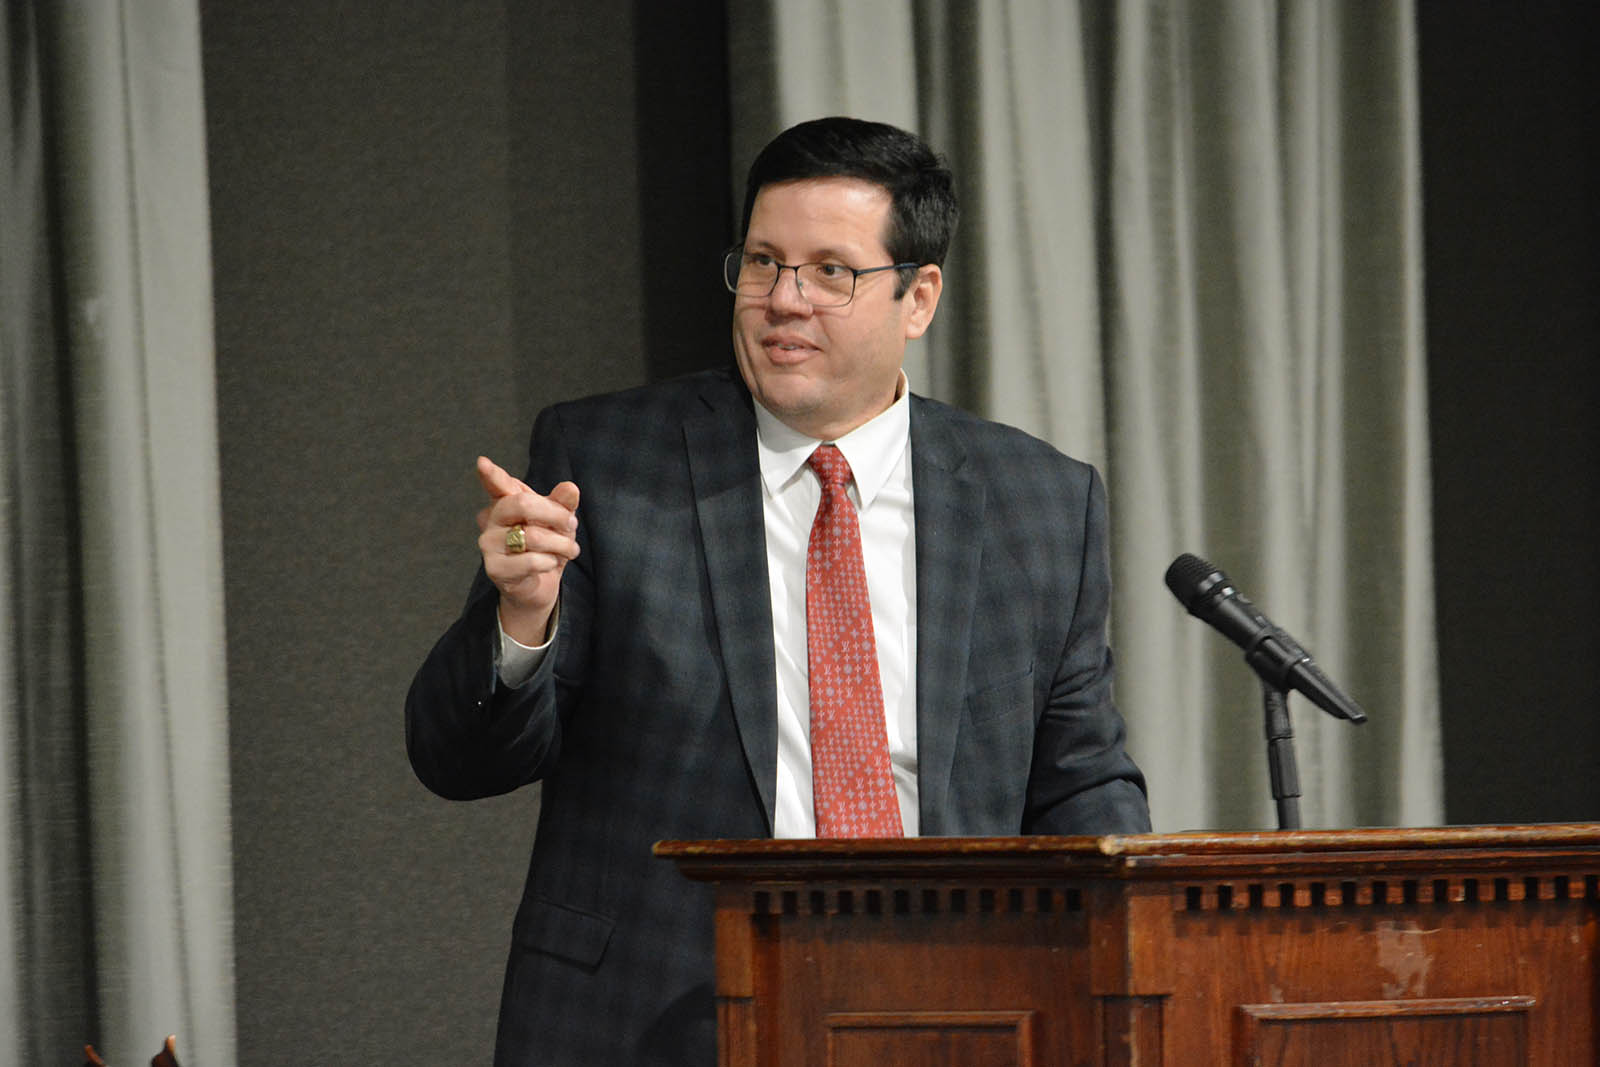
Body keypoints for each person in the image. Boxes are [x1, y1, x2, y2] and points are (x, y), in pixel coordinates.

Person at [406, 116, 1150, 1066]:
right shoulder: (607, 465)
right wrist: (522, 618)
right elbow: (457, 758)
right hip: (657, 1016)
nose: (783, 300)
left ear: (918, 296)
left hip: (949, 1015)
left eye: (830, 271)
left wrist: (1136, 955)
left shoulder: (1039, 500)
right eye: (763, 262)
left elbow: (1079, 780)